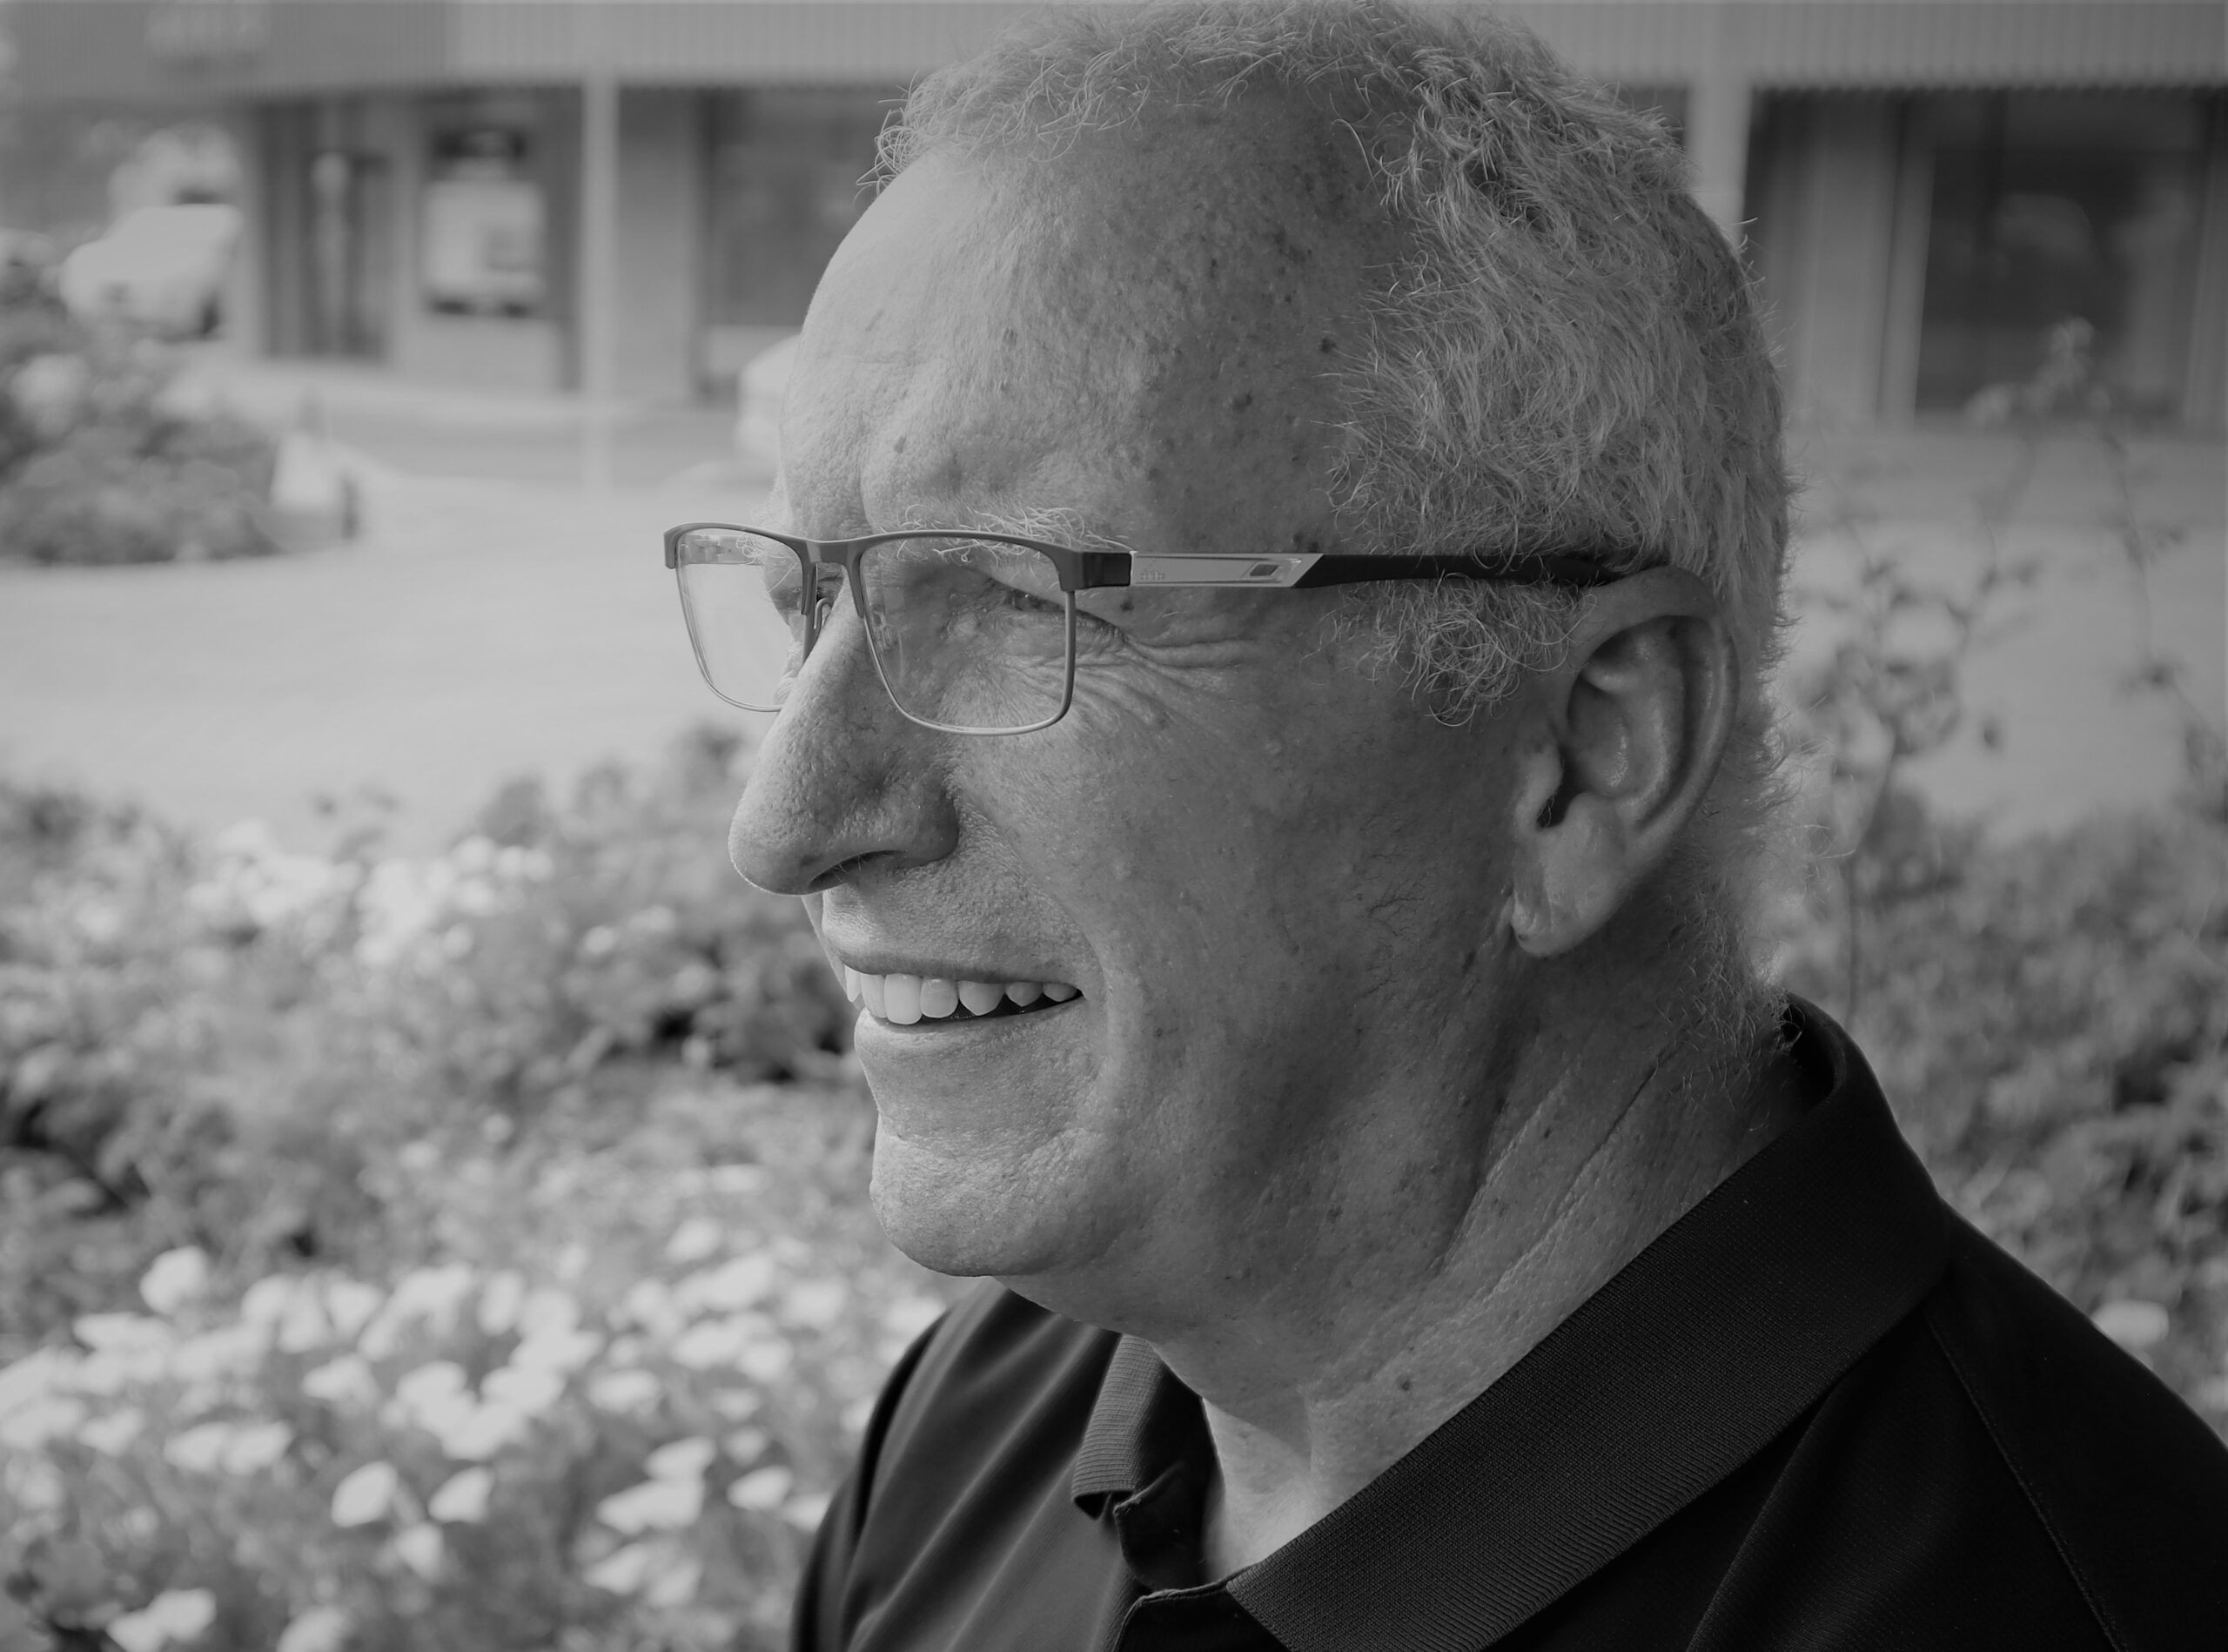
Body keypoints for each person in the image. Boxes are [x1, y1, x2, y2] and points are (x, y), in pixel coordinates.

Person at [674, 3, 2228, 1646]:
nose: (785, 823)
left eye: (1008, 600)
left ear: (1582, 756)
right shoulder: (997, 1405)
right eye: (805, 605)